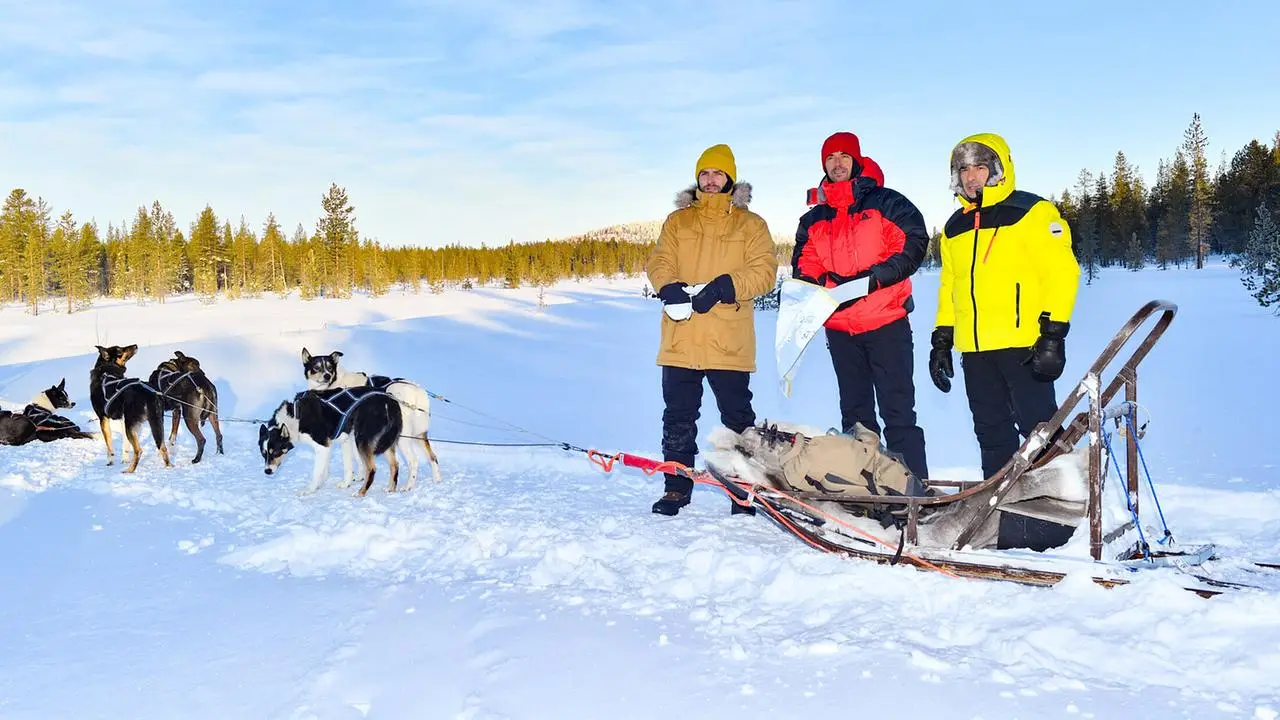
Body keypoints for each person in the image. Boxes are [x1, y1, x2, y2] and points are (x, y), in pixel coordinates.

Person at [928, 132, 1081, 480]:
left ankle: (1053, 502)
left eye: (980, 167)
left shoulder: (1032, 211)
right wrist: (942, 341)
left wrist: (1053, 334)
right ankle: (997, 505)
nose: (971, 177)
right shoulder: (954, 228)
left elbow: (1062, 272)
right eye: (964, 169)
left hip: (1024, 345)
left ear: (998, 168)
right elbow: (949, 288)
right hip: (975, 350)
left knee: (1039, 433)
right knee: (990, 432)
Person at [645, 143, 780, 516]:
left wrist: (725, 287)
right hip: (682, 338)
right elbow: (659, 260)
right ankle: (676, 487)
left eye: (718, 173)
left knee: (738, 419)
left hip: (728, 340)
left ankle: (744, 491)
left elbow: (764, 272)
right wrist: (666, 285)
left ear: (730, 179)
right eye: (704, 173)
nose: (710, 180)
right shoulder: (678, 222)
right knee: (677, 416)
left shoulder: (751, 224)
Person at [790, 131, 930, 482]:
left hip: (886, 323)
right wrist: (825, 285)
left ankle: (911, 494)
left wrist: (872, 279)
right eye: (830, 158)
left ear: (856, 161)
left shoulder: (886, 202)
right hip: (840, 330)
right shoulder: (814, 218)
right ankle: (865, 490)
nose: (837, 164)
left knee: (898, 414)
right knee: (856, 418)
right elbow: (804, 263)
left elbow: (912, 244)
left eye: (844, 157)